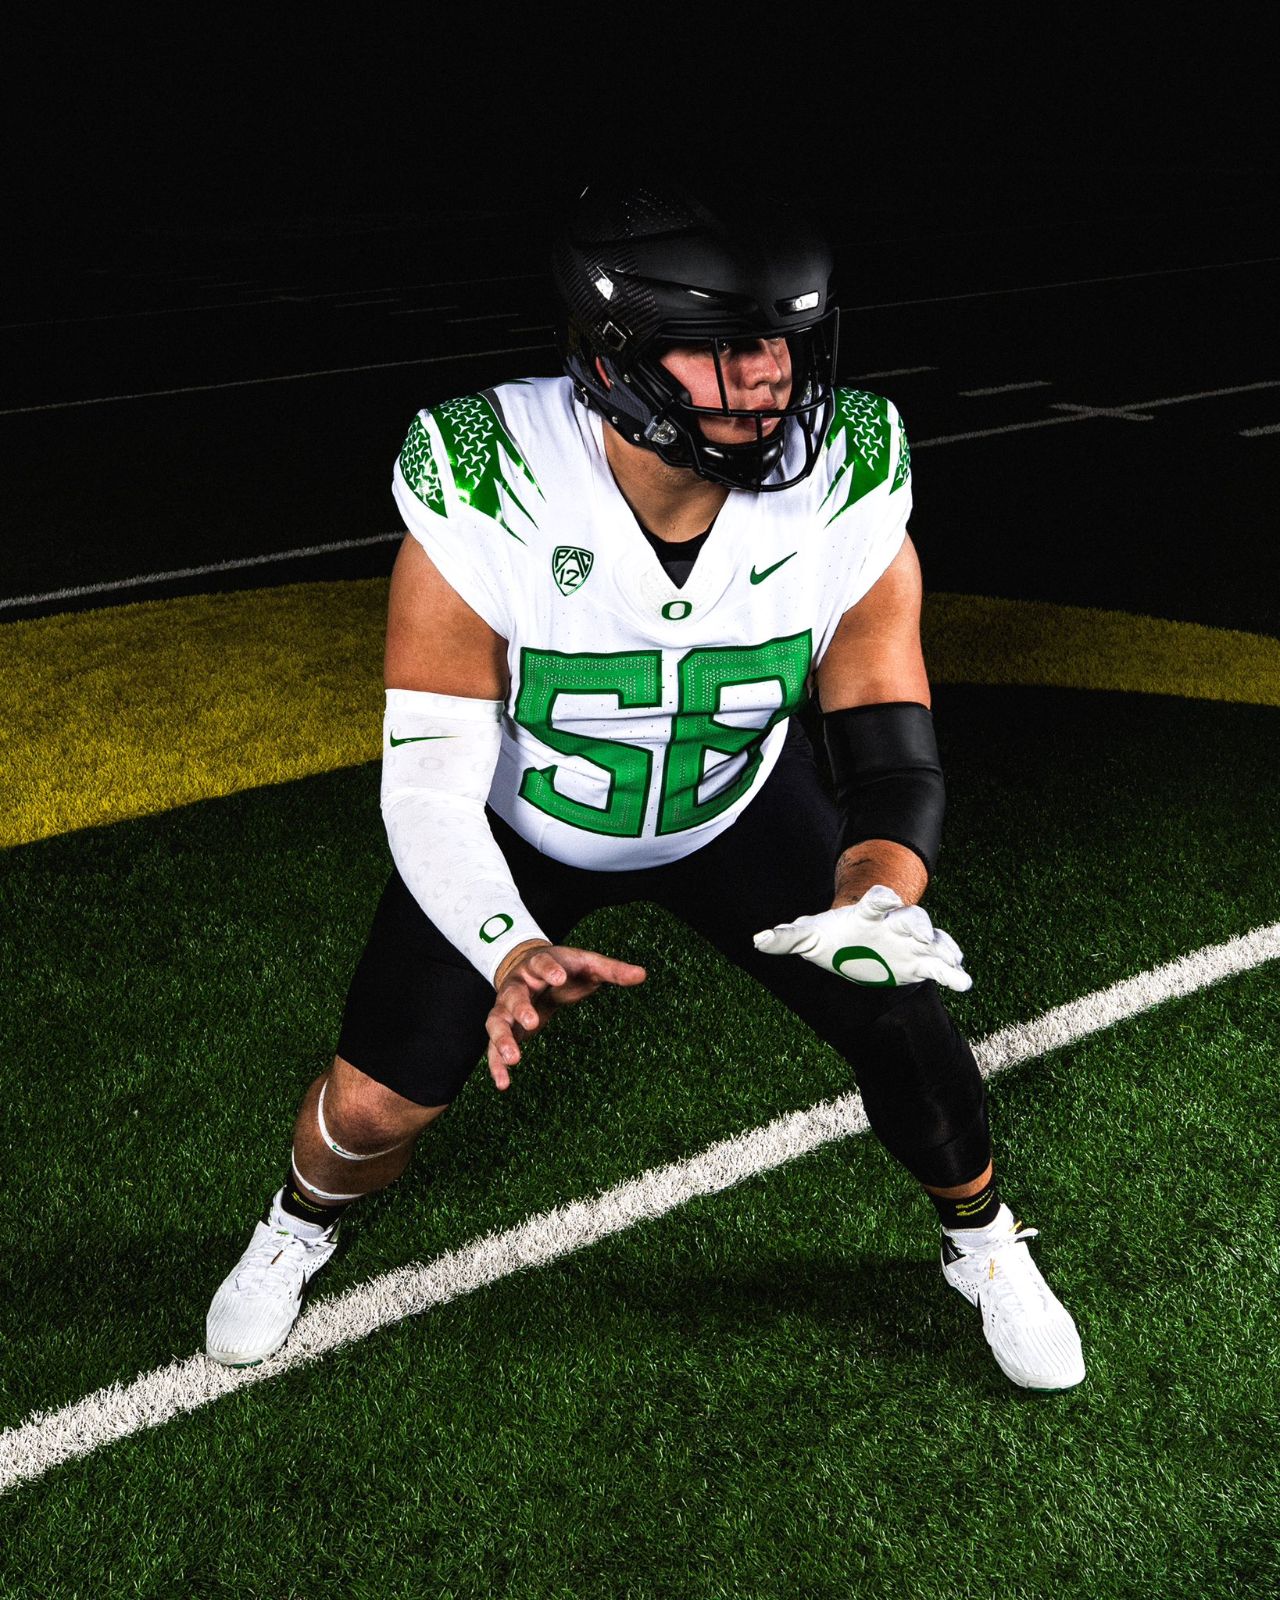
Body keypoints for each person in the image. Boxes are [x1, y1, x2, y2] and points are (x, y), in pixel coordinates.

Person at [207, 178, 1085, 1390]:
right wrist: (509, 945)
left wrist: (875, 897)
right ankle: (299, 1222)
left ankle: (980, 1239)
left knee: (906, 1028)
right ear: (614, 355)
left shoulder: (850, 469)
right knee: (369, 1112)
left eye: (779, 339)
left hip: (734, 801)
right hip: (526, 824)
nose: (768, 375)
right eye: (722, 345)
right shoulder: (491, 474)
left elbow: (889, 750)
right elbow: (427, 789)